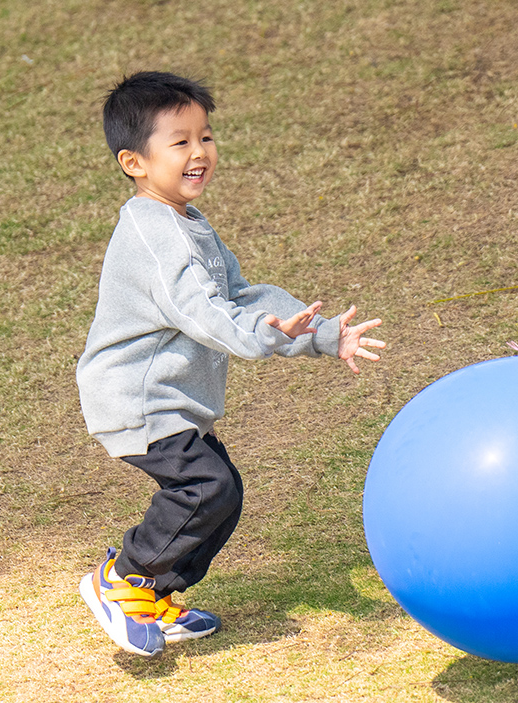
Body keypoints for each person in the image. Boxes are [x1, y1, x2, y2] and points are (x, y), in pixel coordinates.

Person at [75, 71, 384, 657]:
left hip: (173, 400)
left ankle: (156, 598)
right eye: (180, 142)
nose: (199, 153)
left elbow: (241, 299)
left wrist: (321, 334)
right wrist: (257, 339)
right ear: (134, 162)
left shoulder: (187, 224)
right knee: (204, 487)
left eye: (206, 137)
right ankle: (122, 579)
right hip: (138, 400)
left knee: (223, 492)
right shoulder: (152, 232)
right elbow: (203, 311)